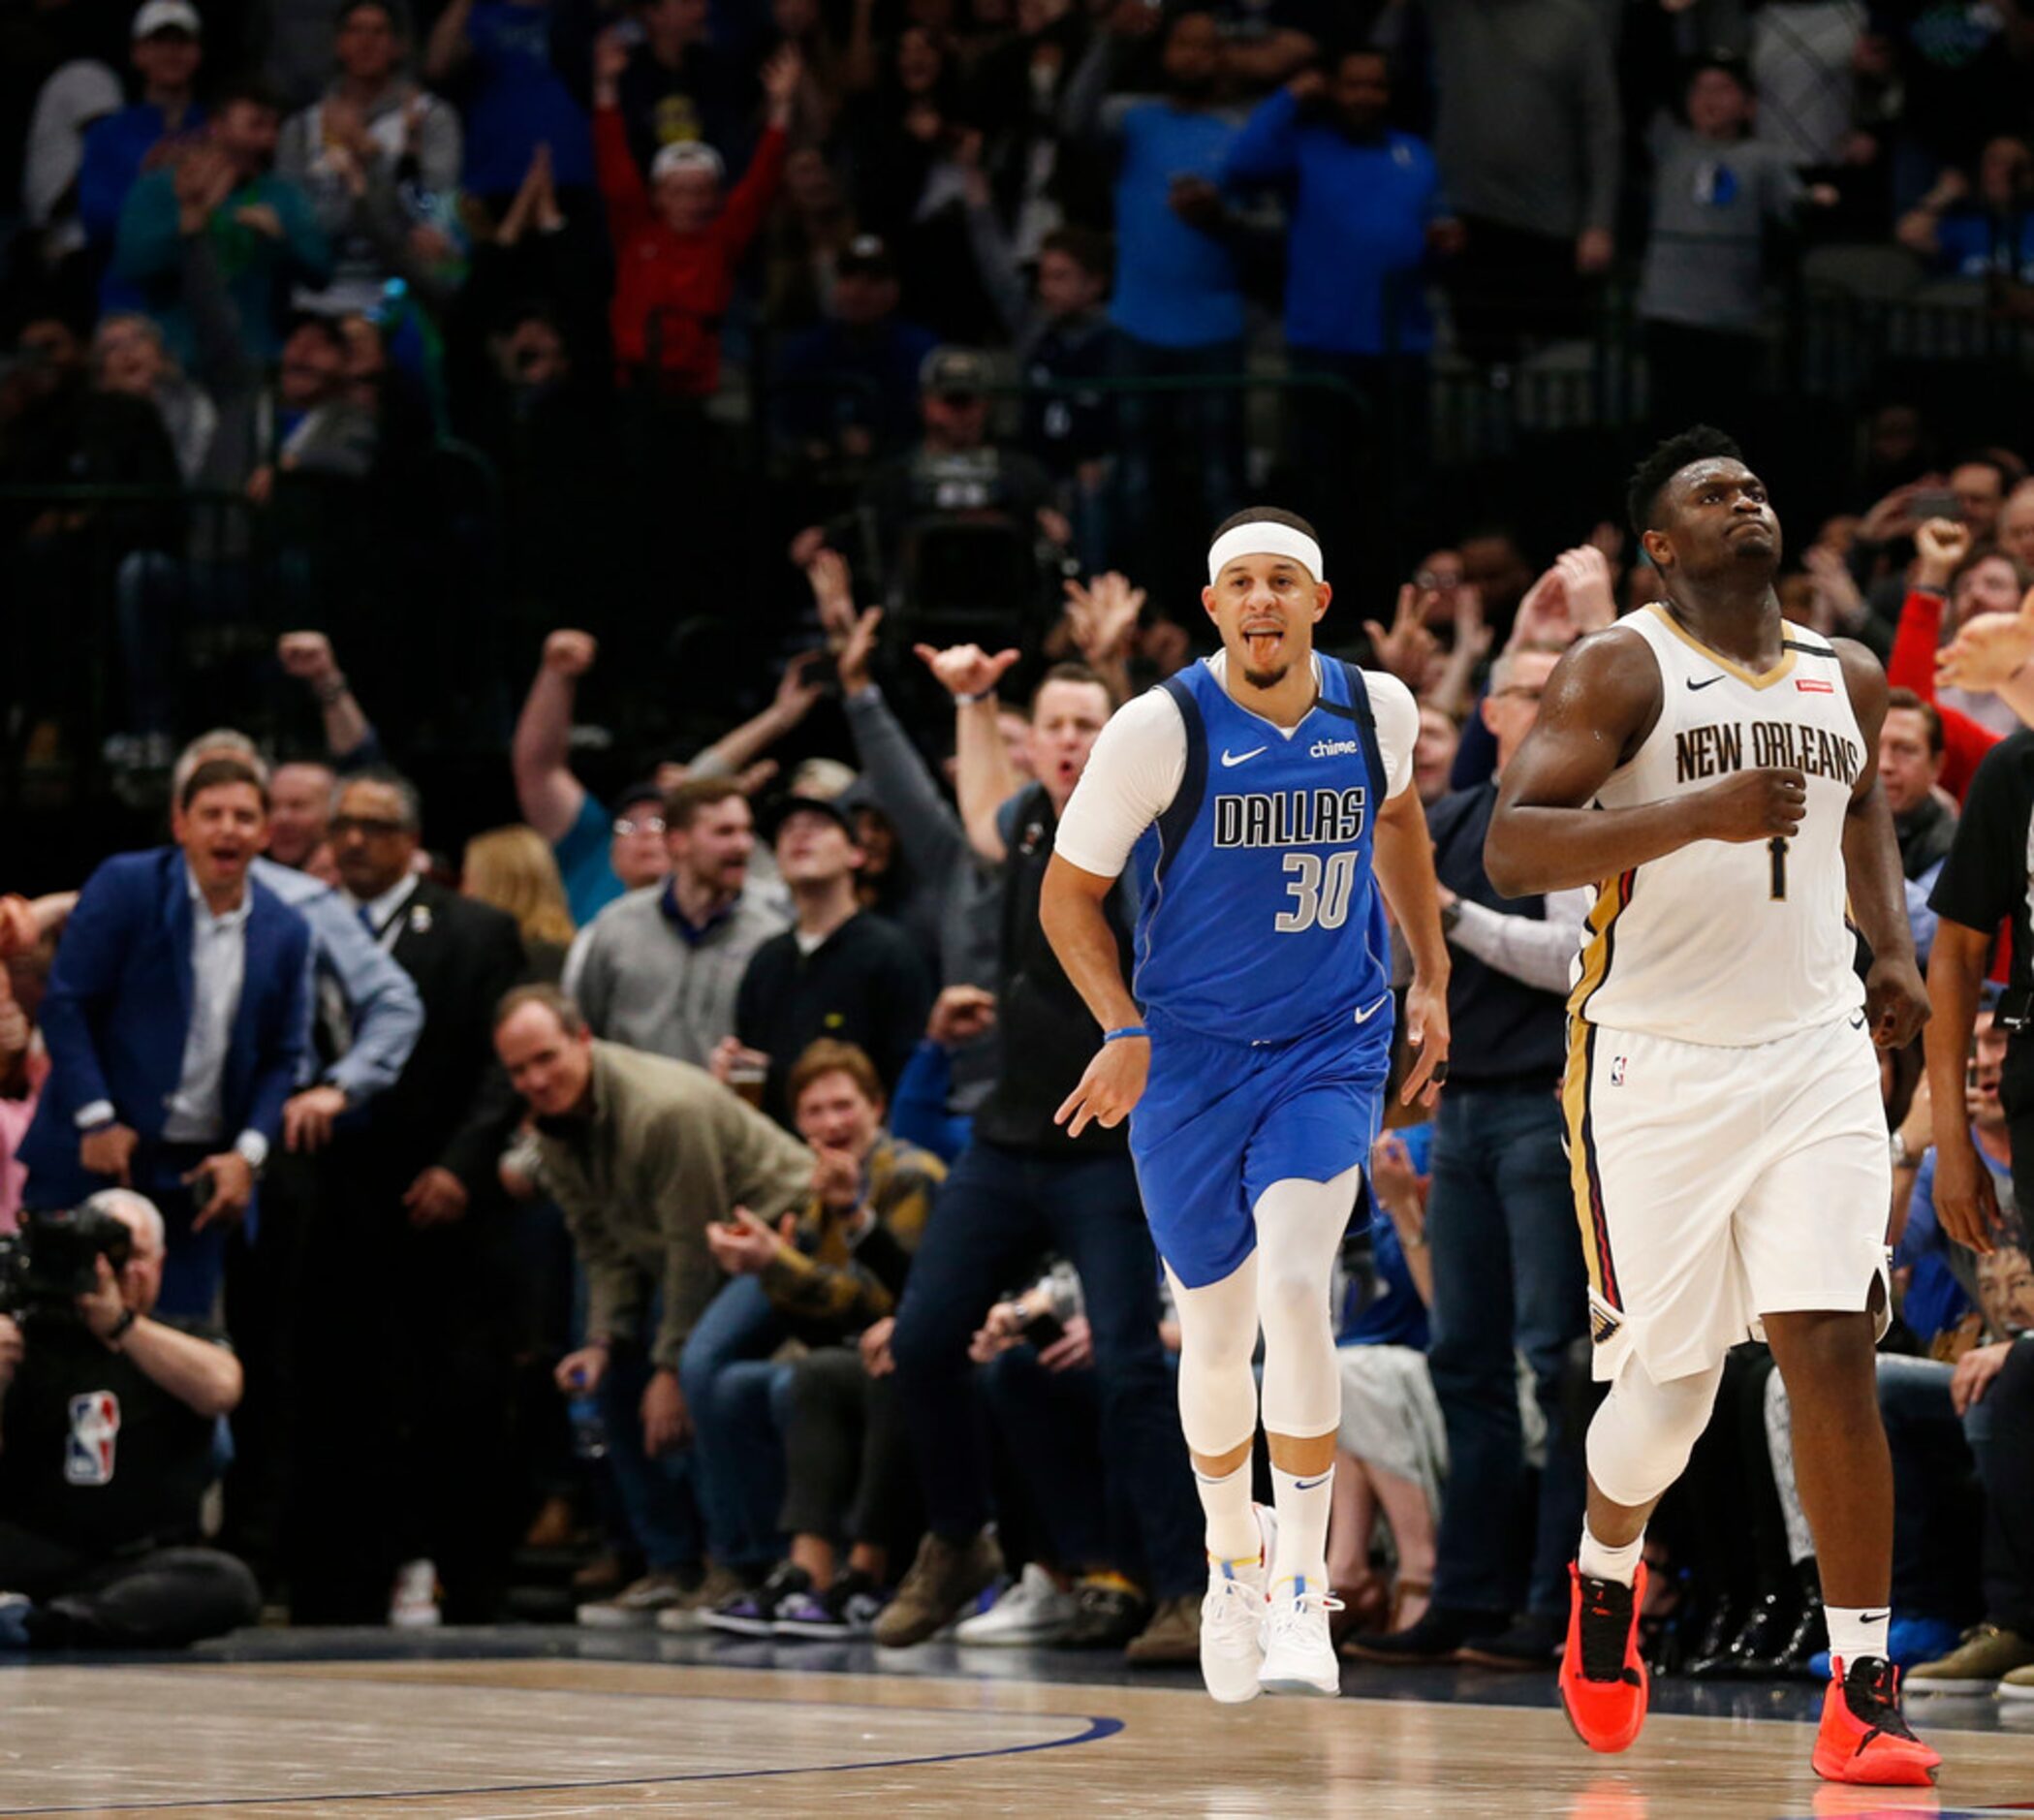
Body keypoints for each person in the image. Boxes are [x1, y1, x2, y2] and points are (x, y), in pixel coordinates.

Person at [1484, 425, 1939, 1784]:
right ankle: (1603, 1568)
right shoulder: (1620, 664)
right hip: (1650, 1062)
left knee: (1826, 1350)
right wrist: (1691, 814)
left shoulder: (1840, 673)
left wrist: (1892, 957)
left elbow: (1857, 816)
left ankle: (1860, 1683)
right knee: (1670, 1389)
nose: (1743, 496)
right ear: (1659, 548)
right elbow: (1512, 844)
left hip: (1807, 1052)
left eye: (1751, 480)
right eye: (1707, 493)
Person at [1041, 504, 1450, 1702]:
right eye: (1240, 584)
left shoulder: (1373, 708)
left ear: (1317, 602)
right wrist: (1121, 1028)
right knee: (1216, 1334)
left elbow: (1399, 823)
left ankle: (1301, 1588)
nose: (1261, 599)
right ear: (1212, 606)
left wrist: (1426, 974)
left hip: (1329, 1041)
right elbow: (1068, 898)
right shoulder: (1154, 727)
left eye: (1284, 581)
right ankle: (1232, 1559)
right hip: (1188, 1058)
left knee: (1295, 1286)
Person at [875, 654, 1205, 1669]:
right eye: (1052, 723)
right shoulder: (1026, 819)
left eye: (1085, 722)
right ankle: (958, 1534)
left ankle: (1187, 1591)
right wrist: (973, 700)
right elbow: (979, 814)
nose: (1067, 739)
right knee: (922, 1341)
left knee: (1127, 1370)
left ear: (1115, 739)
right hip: (1008, 1139)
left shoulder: (1154, 834)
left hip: (1107, 1152)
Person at [1346, 643, 1590, 1670]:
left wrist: (1448, 918)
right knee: (1465, 1362)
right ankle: (1462, 1597)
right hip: (1458, 1112)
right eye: (1534, 691)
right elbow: (1405, 964)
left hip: (1546, 1107)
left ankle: (1558, 1604)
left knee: (1554, 1361)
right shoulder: (1443, 822)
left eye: (1562, 691)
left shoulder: (1578, 819)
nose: (1552, 707)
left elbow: (1576, 962)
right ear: (1491, 712)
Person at [493, 986, 814, 1629]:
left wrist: (667, 1371)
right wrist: (603, 1341)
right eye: (519, 1070)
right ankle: (667, 1564)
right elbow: (601, 1249)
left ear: (582, 1040)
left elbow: (695, 1253)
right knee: (609, 1375)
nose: (535, 1080)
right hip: (687, 1253)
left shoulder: (661, 1110)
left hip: (784, 1239)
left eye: (546, 1059)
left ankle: (735, 1564)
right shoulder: (554, 1128)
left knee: (697, 1367)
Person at [286, 770, 527, 1624]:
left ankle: (471, 1587)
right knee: (340, 1405)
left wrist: (462, 1166)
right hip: (336, 1208)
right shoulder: (299, 928)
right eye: (342, 824)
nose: (353, 840)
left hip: (447, 1207)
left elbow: (506, 1070)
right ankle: (339, 1591)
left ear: (412, 840)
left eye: (375, 827)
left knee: (458, 1405)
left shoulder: (477, 929)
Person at [16, 758, 312, 1320]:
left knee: (180, 1351)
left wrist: (247, 1156)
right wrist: (95, 1117)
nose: (228, 828)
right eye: (212, 815)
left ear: (266, 834)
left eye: (244, 817)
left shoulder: (286, 930)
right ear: (181, 825)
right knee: (58, 1338)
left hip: (194, 1179)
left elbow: (284, 1057)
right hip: (92, 1157)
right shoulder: (128, 885)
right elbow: (66, 1002)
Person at [694, 1039, 944, 1636]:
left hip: (924, 1354)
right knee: (752, 1383)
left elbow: (896, 1299)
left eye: (843, 1106)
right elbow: (819, 1320)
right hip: (849, 1354)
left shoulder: (911, 1174)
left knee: (833, 1375)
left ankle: (864, 1573)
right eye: (814, 1111)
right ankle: (797, 1573)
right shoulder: (816, 1192)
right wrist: (765, 1259)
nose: (831, 1123)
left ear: (876, 1107)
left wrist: (781, 1261)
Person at [0, 1190, 258, 1649]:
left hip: (136, 1562)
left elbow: (222, 1388)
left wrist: (120, 1325)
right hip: (33, 1546)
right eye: (107, 1255)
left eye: (134, 1255)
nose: (123, 1270)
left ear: (159, 1265)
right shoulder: (30, 1342)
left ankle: (44, 1624)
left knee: (226, 1583)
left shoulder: (184, 1336)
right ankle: (49, 1619)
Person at [592, 34, 797, 394]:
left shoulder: (721, 238)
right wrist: (606, 84)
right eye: (679, 191)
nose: (690, 202)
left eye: (700, 191)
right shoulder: (637, 232)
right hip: (638, 386)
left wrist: (780, 107)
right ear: (658, 196)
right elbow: (615, 169)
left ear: (716, 198)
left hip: (702, 387)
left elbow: (760, 184)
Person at [716, 795, 931, 1123]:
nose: (799, 835)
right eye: (786, 830)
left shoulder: (890, 951)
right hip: (778, 1152)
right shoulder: (767, 959)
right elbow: (755, 1063)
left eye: (818, 826)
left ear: (856, 854)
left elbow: (909, 1071)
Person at [113, 77, 333, 369]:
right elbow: (132, 262)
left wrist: (281, 242)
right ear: (217, 125)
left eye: (273, 127)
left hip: (254, 357)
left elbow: (321, 273)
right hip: (175, 357)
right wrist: (188, 226)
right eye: (255, 125)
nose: (267, 138)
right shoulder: (160, 189)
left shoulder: (283, 196)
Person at [563, 779, 787, 1064]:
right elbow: (584, 1034)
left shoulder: (769, 936)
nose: (742, 845)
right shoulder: (616, 926)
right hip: (634, 1105)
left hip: (724, 1104)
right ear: (677, 842)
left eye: (746, 831)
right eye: (724, 832)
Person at [275, 0, 465, 319]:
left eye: (379, 32)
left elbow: (431, 213)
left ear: (398, 46)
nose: (366, 42)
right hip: (317, 299)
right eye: (355, 31)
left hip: (403, 299)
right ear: (338, 43)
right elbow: (293, 223)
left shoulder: (430, 117)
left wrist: (370, 157)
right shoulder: (302, 126)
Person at [461, 826, 579, 982]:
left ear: (500, 889)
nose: (463, 892)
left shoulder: (539, 959)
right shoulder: (560, 948)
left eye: (468, 880)